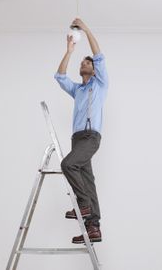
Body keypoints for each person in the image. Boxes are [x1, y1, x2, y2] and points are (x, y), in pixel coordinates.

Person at [53, 17, 109, 244]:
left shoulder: (101, 84)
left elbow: (99, 55)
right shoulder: (77, 90)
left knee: (68, 164)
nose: (84, 63)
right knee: (88, 179)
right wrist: (69, 51)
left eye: (88, 62)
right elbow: (59, 76)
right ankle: (94, 227)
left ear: (95, 71)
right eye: (83, 62)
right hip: (78, 139)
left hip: (91, 137)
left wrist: (85, 30)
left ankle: (83, 205)